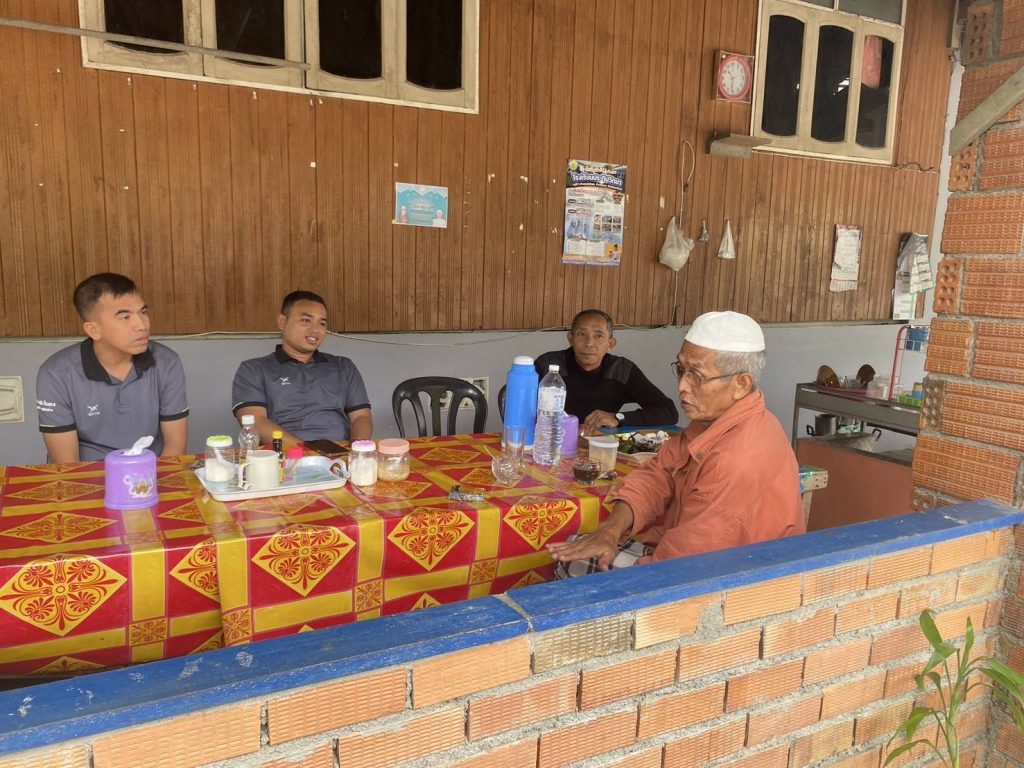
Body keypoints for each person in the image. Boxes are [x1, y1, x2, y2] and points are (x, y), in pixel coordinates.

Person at [547, 310, 804, 572]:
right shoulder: (715, 421)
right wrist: (610, 531)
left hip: (728, 581)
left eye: (697, 376)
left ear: (741, 384)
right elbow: (657, 474)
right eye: (681, 370)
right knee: (580, 549)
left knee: (574, 565)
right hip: (688, 558)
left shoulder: (735, 460)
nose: (682, 385)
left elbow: (679, 571)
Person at [35, 273, 189, 462]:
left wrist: (146, 479)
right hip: (87, 474)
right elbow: (66, 463)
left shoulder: (166, 362)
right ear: (93, 330)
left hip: (150, 472)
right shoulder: (56, 374)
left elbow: (175, 445)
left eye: (143, 312)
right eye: (125, 317)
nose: (142, 325)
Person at [232, 290, 372, 444]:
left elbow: (361, 417)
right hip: (284, 453)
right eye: (306, 320)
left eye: (322, 323)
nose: (316, 329)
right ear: (282, 322)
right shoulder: (253, 370)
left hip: (339, 452)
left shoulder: (343, 367)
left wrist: (358, 449)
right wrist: (305, 451)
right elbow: (256, 423)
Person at [534, 309, 677, 433]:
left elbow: (668, 412)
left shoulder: (621, 370)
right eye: (581, 334)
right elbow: (521, 409)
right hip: (552, 443)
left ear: (611, 343)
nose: (589, 343)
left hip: (601, 446)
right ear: (570, 339)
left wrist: (618, 418)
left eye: (598, 335)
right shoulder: (548, 366)